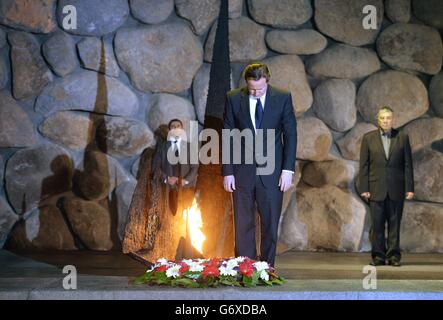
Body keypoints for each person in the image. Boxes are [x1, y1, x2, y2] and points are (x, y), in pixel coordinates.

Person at [222, 63, 297, 267]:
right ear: (246, 83)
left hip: (272, 172)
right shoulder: (233, 97)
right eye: (252, 89)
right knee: (242, 223)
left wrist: (287, 170)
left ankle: (266, 268)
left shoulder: (282, 97)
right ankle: (245, 268)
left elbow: (290, 135)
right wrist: (227, 172)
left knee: (270, 223)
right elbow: (227, 135)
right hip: (242, 171)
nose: (255, 93)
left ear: (267, 81)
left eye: (260, 89)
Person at [358, 106, 414, 267]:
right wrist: (364, 188)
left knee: (395, 225)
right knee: (377, 225)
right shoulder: (368, 138)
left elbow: (408, 165)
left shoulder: (402, 137)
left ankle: (394, 256)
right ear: (378, 120)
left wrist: (409, 188)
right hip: (376, 189)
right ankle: (378, 256)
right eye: (382, 118)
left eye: (388, 118)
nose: (385, 120)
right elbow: (364, 166)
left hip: (397, 189)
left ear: (393, 119)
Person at [158, 119, 198, 214]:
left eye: (178, 126)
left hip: (186, 188)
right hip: (167, 188)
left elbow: (195, 167)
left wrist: (186, 180)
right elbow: (156, 167)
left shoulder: (189, 146)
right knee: (169, 216)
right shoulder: (162, 147)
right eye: (173, 126)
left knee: (187, 216)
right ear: (169, 130)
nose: (176, 128)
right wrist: (166, 178)